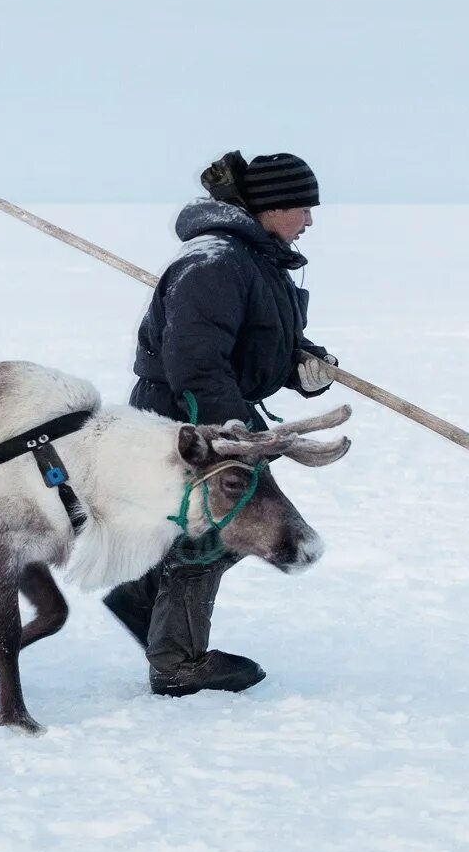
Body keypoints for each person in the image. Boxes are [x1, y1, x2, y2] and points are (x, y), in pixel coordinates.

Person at [105, 151, 338, 696]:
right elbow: (196, 362)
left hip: (220, 413)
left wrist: (305, 367)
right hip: (189, 420)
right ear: (271, 206)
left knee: (220, 526)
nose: (310, 220)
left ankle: (143, 601)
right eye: (303, 206)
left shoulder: (256, 258)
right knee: (218, 530)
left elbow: (259, 339)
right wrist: (231, 435)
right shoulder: (213, 264)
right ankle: (178, 663)